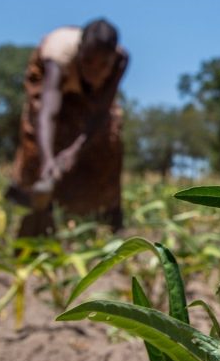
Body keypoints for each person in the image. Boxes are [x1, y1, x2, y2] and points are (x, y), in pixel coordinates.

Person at [7, 19, 129, 237]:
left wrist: (75, 150)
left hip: (90, 98)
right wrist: (48, 161)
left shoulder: (120, 61)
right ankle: (32, 205)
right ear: (79, 51)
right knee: (36, 143)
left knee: (108, 142)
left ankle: (110, 216)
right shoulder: (58, 57)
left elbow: (101, 113)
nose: (95, 69)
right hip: (52, 87)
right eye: (89, 61)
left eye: (103, 65)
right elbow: (48, 113)